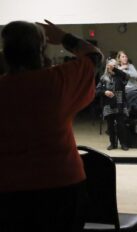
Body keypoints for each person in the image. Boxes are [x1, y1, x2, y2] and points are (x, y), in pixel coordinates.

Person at [0, 20, 103, 231]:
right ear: (40, 50)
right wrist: (64, 37)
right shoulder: (56, 81)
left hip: (8, 187)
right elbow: (94, 57)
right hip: (61, 184)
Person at [96, 59, 129, 151]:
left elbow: (127, 76)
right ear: (107, 67)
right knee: (110, 125)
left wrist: (114, 69)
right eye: (110, 66)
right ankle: (112, 143)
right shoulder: (103, 77)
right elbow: (97, 91)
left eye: (114, 66)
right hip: (108, 103)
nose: (112, 67)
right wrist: (104, 92)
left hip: (119, 101)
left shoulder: (120, 76)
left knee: (121, 124)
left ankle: (123, 143)